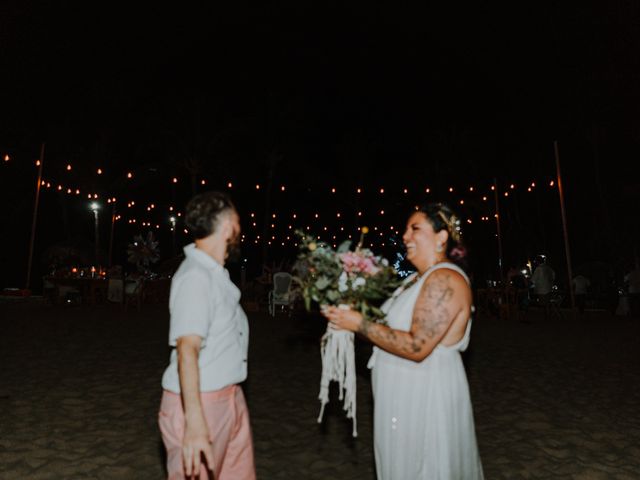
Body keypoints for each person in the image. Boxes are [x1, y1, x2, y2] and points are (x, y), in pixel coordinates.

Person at [322, 202, 483, 479]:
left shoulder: (445, 279)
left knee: (426, 465)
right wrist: (347, 316)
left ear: (441, 237)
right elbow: (387, 331)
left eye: (415, 228)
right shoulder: (413, 281)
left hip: (425, 395)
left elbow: (416, 346)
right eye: (406, 229)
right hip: (400, 394)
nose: (405, 236)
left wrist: (360, 323)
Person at [158, 191, 255, 480]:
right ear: (226, 226)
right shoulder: (195, 277)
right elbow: (187, 350)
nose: (240, 231)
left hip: (229, 397)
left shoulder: (215, 274)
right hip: (199, 403)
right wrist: (195, 422)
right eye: (237, 223)